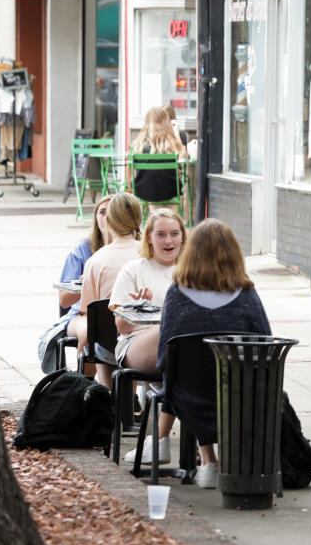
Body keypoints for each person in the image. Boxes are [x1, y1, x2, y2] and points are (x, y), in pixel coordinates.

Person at [158, 219, 271, 489]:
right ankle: (224, 464)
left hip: (189, 398)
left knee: (187, 380)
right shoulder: (246, 294)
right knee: (224, 383)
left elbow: (165, 356)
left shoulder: (176, 294)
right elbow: (266, 343)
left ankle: (207, 461)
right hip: (243, 397)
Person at [110, 209, 187, 465]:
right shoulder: (134, 269)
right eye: (162, 234)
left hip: (178, 349)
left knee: (187, 359)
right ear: (149, 238)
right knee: (178, 332)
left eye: (175, 234)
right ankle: (161, 443)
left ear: (183, 238)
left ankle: (165, 444)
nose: (169, 241)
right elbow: (121, 326)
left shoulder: (190, 272)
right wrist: (138, 307)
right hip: (136, 343)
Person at [69, 192, 143, 389]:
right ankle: (128, 399)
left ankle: (105, 397)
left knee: (100, 335)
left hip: (111, 346)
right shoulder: (150, 254)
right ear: (138, 219)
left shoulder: (96, 261)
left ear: (109, 220)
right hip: (152, 345)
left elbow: (89, 311)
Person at [37, 194, 112, 373]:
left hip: (121, 314)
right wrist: (88, 281)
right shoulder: (82, 249)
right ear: (95, 218)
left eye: (112, 211)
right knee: (91, 331)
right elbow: (64, 300)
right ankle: (84, 391)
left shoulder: (136, 248)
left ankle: (127, 397)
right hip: (82, 314)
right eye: (102, 212)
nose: (107, 217)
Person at [131, 105, 187, 203]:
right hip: (171, 190)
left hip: (144, 190)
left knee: (152, 185)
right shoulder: (171, 144)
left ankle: (155, 214)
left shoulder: (139, 143)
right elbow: (184, 157)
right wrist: (176, 133)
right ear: (166, 122)